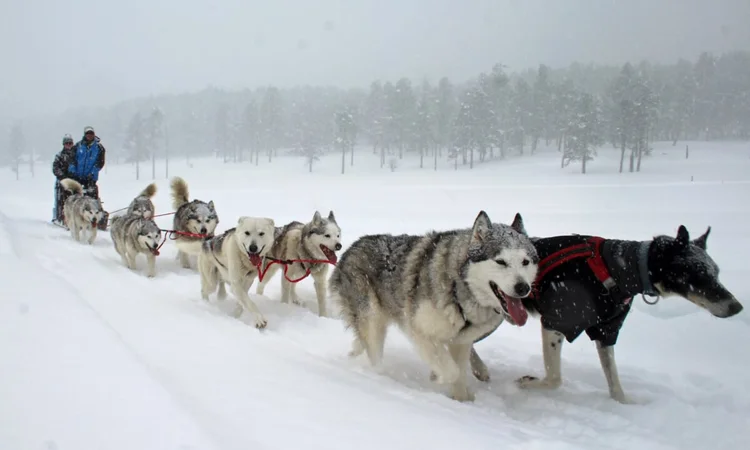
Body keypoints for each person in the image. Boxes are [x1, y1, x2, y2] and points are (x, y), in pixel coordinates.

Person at [68, 126, 106, 199]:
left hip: (91, 179)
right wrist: (73, 172)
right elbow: (72, 160)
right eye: (87, 133)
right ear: (85, 134)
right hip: (77, 177)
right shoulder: (78, 146)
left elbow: (100, 163)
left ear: (94, 134)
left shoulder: (99, 147)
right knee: (74, 198)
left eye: (91, 133)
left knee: (92, 199)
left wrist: (92, 173)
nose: (89, 135)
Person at [51, 134, 76, 225]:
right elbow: (55, 168)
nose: (68, 145)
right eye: (67, 143)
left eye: (70, 143)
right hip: (62, 181)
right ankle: (59, 217)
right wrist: (62, 177)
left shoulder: (76, 155)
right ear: (64, 144)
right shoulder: (59, 155)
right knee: (60, 200)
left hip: (74, 181)